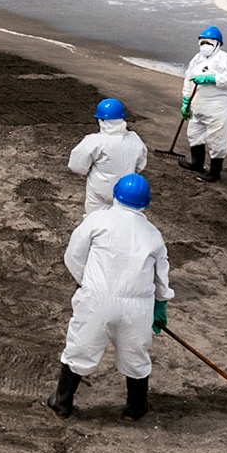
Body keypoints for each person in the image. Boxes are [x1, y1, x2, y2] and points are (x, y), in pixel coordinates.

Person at [46, 173, 172, 424]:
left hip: (97, 300)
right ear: (145, 203)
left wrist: (86, 282)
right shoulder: (152, 234)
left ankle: (62, 403)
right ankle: (135, 409)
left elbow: (73, 255)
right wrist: (160, 303)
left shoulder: (98, 220)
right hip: (138, 307)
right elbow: (161, 276)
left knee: (80, 349)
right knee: (135, 354)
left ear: (115, 196)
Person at [179, 26, 227, 181]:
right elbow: (188, 79)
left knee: (216, 140)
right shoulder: (197, 58)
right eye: (202, 42)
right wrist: (186, 101)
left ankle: (214, 172)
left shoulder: (225, 59)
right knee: (194, 135)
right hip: (198, 105)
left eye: (209, 42)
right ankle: (197, 164)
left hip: (219, 108)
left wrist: (211, 78)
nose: (205, 45)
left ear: (217, 43)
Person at [68, 99, 148, 212]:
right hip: (128, 195)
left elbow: (76, 166)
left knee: (94, 222)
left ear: (101, 120)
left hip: (99, 194)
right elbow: (140, 165)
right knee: (124, 224)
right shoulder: (134, 139)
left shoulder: (95, 141)